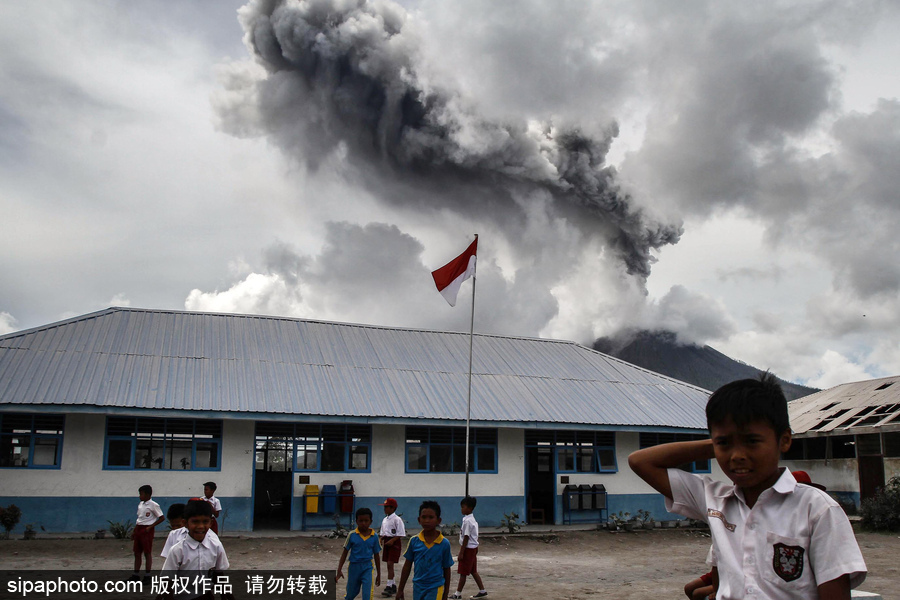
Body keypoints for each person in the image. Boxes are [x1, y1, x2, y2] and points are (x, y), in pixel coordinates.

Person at [629, 373, 867, 599]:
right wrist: (719, 443)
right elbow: (641, 461)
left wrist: (727, 440)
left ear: (784, 440)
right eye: (724, 443)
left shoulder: (817, 509)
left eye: (751, 441)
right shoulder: (714, 499)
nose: (737, 456)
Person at [396, 501, 453, 600]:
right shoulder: (414, 541)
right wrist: (400, 589)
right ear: (419, 519)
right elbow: (407, 566)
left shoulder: (444, 544)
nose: (427, 521)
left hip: (435, 587)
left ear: (438, 520)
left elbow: (447, 569)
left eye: (431, 517)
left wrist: (446, 592)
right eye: (424, 517)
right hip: (418, 586)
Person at [161, 499, 229, 572]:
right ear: (185, 523)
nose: (200, 526)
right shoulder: (177, 550)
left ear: (211, 523)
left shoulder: (216, 545)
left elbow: (219, 573)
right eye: (195, 522)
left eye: (205, 521)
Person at [337, 507, 383, 600]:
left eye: (366, 520)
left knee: (367, 595)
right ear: (356, 521)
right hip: (354, 567)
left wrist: (379, 574)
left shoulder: (374, 536)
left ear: (371, 521)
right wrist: (339, 569)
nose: (363, 523)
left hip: (368, 568)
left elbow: (376, 555)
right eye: (361, 520)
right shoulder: (352, 535)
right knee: (351, 594)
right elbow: (345, 552)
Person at [450, 497, 486, 600]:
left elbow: (466, 537)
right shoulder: (471, 519)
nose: (461, 509)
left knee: (463, 572)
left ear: (469, 508)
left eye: (463, 507)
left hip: (468, 549)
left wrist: (461, 552)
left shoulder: (468, 521)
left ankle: (457, 594)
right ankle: (482, 591)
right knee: (473, 571)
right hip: (473, 548)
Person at [130, 484, 164, 582]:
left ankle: (147, 575)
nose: (140, 496)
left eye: (141, 494)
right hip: (139, 528)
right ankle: (135, 575)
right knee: (137, 552)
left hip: (147, 529)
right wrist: (134, 531)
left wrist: (150, 527)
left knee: (147, 552)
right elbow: (139, 519)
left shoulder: (154, 505)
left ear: (148, 494)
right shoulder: (141, 504)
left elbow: (161, 518)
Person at [378, 498, 406, 597]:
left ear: (393, 508)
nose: (385, 509)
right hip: (387, 541)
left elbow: (401, 533)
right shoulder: (385, 520)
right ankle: (393, 584)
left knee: (390, 563)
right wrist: (381, 539)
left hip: (394, 542)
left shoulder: (397, 519)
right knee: (388, 564)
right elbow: (383, 533)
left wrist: (392, 541)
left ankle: (389, 586)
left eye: (387, 507)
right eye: (384, 507)